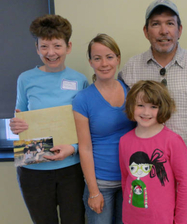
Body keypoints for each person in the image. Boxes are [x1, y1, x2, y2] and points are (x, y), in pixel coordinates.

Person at [118, 0, 187, 223]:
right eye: (156, 24)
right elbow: (118, 110)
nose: (163, 31)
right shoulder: (131, 68)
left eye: (170, 23)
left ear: (179, 29)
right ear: (146, 31)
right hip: (146, 163)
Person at [9, 14, 88, 224]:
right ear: (37, 47)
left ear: (68, 46)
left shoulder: (80, 80)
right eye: (44, 46)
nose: (51, 53)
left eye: (57, 45)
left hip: (71, 167)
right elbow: (20, 118)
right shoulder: (25, 79)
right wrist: (15, 125)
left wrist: (73, 147)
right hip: (33, 166)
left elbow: (86, 126)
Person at [72, 33, 136, 224]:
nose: (104, 63)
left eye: (109, 57)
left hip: (130, 180)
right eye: (97, 58)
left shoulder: (131, 92)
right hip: (101, 184)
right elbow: (84, 148)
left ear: (118, 59)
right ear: (90, 62)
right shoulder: (82, 99)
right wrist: (93, 191)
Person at [119, 80, 187, 224]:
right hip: (131, 218)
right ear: (131, 106)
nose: (146, 112)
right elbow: (125, 179)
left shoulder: (173, 141)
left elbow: (184, 184)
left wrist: (179, 221)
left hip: (162, 219)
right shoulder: (124, 141)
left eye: (153, 106)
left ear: (162, 108)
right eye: (140, 105)